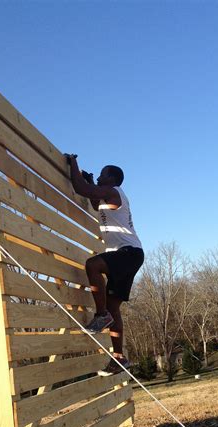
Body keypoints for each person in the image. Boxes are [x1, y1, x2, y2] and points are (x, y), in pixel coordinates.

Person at [64, 154, 144, 376]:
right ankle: (119, 358)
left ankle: (101, 315)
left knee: (93, 265)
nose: (98, 177)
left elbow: (82, 190)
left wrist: (74, 164)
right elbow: (93, 201)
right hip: (131, 254)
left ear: (111, 178)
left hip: (127, 253)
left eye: (101, 175)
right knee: (114, 307)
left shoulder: (113, 192)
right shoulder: (109, 197)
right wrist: (90, 182)